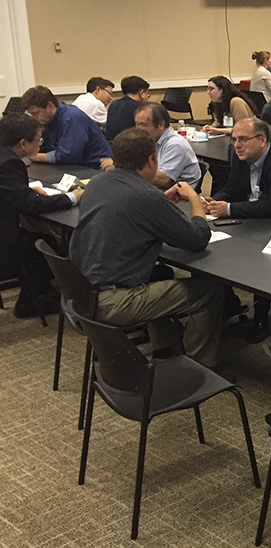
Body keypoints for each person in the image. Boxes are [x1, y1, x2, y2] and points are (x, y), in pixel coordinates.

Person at [69, 128, 224, 367]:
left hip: (82, 292)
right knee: (209, 290)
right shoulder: (147, 197)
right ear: (152, 160)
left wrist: (163, 205)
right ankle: (198, 367)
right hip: (114, 301)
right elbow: (197, 239)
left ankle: (165, 351)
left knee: (159, 274)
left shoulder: (98, 183)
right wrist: (195, 199)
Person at [207, 118, 271, 343]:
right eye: (235, 139)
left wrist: (229, 209)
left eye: (243, 139)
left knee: (261, 257)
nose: (237, 145)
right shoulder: (241, 159)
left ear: (262, 140)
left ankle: (261, 318)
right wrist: (214, 201)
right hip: (259, 217)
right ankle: (229, 304)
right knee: (214, 251)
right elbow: (234, 188)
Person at [0, 113, 82, 318]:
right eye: (38, 140)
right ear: (23, 143)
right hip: (3, 240)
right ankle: (32, 302)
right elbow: (29, 205)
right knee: (42, 244)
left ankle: (40, 295)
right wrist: (72, 197)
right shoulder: (10, 163)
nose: (40, 144)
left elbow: (12, 193)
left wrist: (23, 190)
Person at [21, 85, 111, 170]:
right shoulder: (47, 120)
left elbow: (68, 155)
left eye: (36, 113)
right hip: (72, 167)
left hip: (93, 168)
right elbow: (43, 148)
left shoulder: (72, 118)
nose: (34, 118)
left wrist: (35, 156)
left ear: (50, 106)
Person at [132, 102, 201, 189]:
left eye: (143, 125)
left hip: (177, 196)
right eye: (137, 124)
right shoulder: (150, 139)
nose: (138, 129)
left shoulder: (175, 145)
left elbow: (163, 180)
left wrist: (130, 172)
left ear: (161, 125)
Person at [105, 76, 151, 141]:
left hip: (112, 146)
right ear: (142, 93)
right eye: (147, 93)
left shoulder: (113, 104)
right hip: (132, 145)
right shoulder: (142, 107)